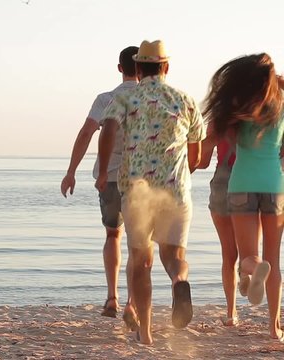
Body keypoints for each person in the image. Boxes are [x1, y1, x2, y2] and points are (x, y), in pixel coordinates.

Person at [95, 40, 204, 345]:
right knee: (174, 256)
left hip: (138, 192)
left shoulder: (127, 99)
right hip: (176, 191)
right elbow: (196, 157)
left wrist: (104, 171)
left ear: (138, 68)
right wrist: (181, 172)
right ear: (166, 67)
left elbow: (108, 131)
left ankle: (145, 334)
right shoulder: (185, 100)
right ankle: (180, 281)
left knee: (141, 260)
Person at [204, 53, 284, 341]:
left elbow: (214, 141)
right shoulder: (281, 108)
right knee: (275, 259)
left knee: (249, 256)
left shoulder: (236, 111)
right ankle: (274, 328)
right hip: (275, 186)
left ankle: (253, 268)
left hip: (241, 185)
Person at [60, 45, 139, 326]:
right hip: (141, 179)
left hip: (110, 176)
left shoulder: (106, 99)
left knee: (112, 236)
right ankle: (132, 302)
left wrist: (71, 172)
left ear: (120, 68)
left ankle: (111, 297)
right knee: (137, 243)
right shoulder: (150, 100)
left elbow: (86, 132)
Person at [198, 124, 248, 327]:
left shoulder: (218, 119)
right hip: (249, 179)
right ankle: (247, 271)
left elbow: (202, 162)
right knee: (249, 247)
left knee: (228, 253)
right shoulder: (257, 113)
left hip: (222, 180)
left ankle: (231, 313)